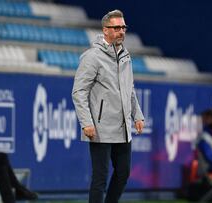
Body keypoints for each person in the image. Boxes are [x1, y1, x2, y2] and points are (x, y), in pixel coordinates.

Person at [72, 9, 145, 203]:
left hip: (123, 128)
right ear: (105, 30)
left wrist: (137, 115)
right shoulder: (92, 57)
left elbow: (129, 89)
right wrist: (86, 122)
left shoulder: (125, 56)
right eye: (117, 27)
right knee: (100, 178)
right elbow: (79, 91)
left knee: (123, 174)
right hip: (100, 127)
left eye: (123, 27)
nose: (122, 31)